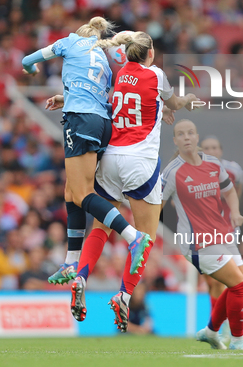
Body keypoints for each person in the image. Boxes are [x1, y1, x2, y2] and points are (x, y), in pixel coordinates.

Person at [68, 31, 197, 330]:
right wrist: (185, 101)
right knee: (144, 237)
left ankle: (80, 277)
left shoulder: (121, 72)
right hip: (140, 161)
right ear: (150, 53)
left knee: (101, 227)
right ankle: (124, 295)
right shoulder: (157, 75)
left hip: (111, 158)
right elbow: (174, 103)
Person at [21, 17, 152, 285]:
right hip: (102, 123)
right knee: (71, 190)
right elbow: (97, 95)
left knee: (82, 194)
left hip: (80, 121)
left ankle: (132, 236)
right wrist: (65, 98)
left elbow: (27, 60)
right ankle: (70, 262)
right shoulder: (104, 59)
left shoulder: (69, 41)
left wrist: (32, 71)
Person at [162, 119, 243, 351]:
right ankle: (237, 340)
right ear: (175, 141)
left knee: (241, 286)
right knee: (236, 285)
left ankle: (211, 331)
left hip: (223, 235)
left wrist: (235, 213)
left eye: (190, 133)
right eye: (180, 134)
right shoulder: (172, 172)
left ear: (196, 138)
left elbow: (230, 191)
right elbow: (156, 204)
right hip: (198, 241)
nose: (186, 137)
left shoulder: (214, 165)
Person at [200, 135, 243, 338]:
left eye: (215, 147)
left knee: (238, 282)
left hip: (227, 232)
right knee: (214, 283)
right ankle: (218, 325)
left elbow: (238, 192)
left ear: (221, 150)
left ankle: (221, 325)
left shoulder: (234, 171)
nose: (211, 151)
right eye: (207, 147)